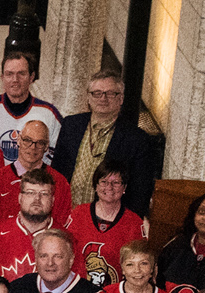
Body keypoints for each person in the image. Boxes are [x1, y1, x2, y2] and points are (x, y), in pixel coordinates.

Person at [52, 71, 161, 213]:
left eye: (110, 93)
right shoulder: (71, 125)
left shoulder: (137, 139)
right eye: (97, 93)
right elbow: (56, 171)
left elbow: (140, 191)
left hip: (106, 219)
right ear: (88, 98)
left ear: (120, 99)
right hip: (67, 212)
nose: (103, 98)